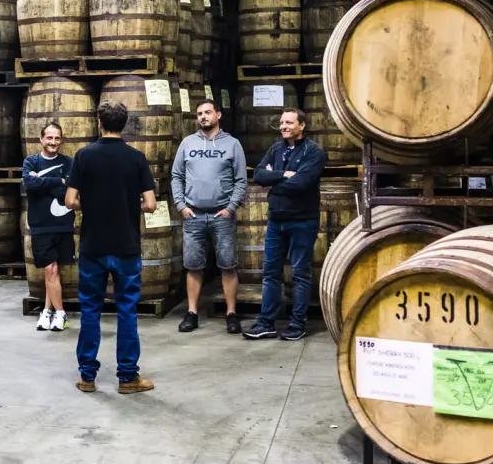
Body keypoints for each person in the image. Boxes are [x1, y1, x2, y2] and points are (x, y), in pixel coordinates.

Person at [65, 101, 159, 394]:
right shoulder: (136, 158)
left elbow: (70, 200)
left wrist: (91, 205)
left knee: (90, 310)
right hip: (126, 245)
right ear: (124, 124)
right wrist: (129, 206)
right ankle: (128, 377)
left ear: (99, 122)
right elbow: (151, 204)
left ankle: (87, 376)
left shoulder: (84, 156)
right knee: (127, 310)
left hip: (93, 246)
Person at [246, 108, 326, 341]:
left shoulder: (314, 152)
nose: (284, 126)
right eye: (281, 122)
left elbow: (303, 183)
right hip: (276, 221)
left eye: (289, 122)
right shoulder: (276, 149)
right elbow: (259, 175)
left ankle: (297, 323)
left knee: (300, 274)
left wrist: (277, 179)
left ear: (302, 125)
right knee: (270, 273)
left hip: (303, 221)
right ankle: (266, 322)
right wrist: (285, 175)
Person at [169, 99, 248, 334]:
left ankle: (231, 313)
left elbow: (241, 180)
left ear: (218, 115)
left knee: (228, 265)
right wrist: (181, 205)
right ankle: (192, 312)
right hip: (193, 215)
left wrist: (231, 207)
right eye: (200, 114)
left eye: (208, 112)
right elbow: (176, 176)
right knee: (193, 266)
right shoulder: (187, 143)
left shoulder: (232, 144)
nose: (203, 117)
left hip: (221, 215)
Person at [23, 122, 75, 332]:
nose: (53, 142)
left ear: (61, 140)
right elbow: (29, 185)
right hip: (41, 225)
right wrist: (58, 180)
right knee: (50, 269)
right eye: (49, 138)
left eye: (57, 138)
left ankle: (47, 311)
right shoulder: (31, 161)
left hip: (63, 224)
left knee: (54, 271)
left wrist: (43, 181)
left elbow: (68, 192)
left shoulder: (69, 162)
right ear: (41, 140)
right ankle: (61, 313)